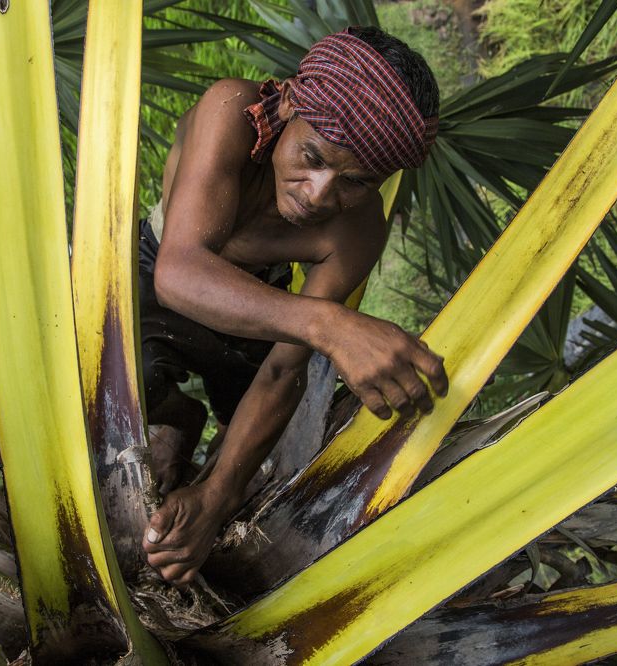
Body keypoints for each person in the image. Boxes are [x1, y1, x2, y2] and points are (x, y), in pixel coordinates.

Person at [140, 26, 449, 586]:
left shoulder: (356, 232)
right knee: (117, 382)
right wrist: (332, 325)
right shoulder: (231, 111)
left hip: (263, 298)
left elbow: (284, 369)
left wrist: (215, 498)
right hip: (157, 264)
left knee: (254, 444)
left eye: (355, 182)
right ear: (286, 104)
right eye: (311, 156)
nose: (317, 195)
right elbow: (179, 272)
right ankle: (174, 414)